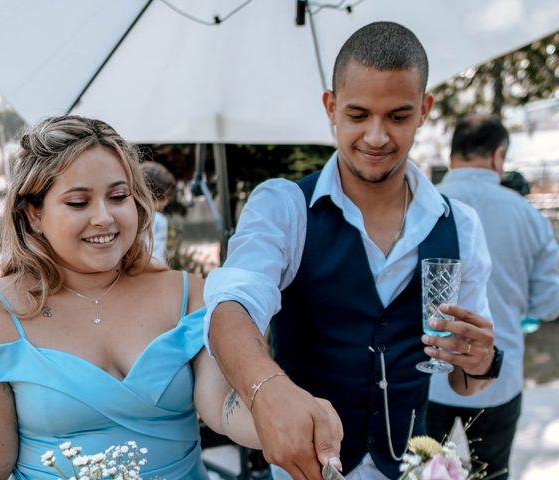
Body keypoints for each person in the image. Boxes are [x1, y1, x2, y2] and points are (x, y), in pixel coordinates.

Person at [204, 22, 499, 480]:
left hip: (414, 465)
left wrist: (482, 364)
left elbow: (462, 382)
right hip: (306, 469)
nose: (377, 137)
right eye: (359, 115)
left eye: (398, 117)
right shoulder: (284, 206)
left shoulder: (460, 224)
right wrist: (268, 390)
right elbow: (232, 306)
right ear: (331, 107)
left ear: (424, 110)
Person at [0, 115, 300, 479]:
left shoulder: (189, 294)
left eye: (118, 196)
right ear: (33, 215)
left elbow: (225, 408)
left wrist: (286, 410)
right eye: (79, 203)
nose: (104, 218)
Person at [428, 114, 559, 479]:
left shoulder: (423, 207)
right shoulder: (528, 216)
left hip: (428, 374)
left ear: (453, 154)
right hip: (499, 376)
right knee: (492, 473)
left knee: (417, 471)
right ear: (498, 155)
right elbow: (549, 304)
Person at [141, 161, 176, 263]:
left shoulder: (130, 215)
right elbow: (157, 257)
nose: (167, 202)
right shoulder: (159, 220)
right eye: (167, 196)